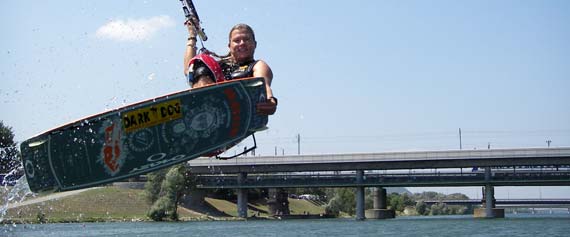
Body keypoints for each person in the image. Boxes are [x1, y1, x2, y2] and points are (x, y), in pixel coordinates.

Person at [183, 22, 277, 115]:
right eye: (237, 40)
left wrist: (270, 100)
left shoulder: (258, 65)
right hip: (213, 108)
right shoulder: (220, 64)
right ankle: (204, 109)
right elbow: (189, 70)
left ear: (255, 44)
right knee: (201, 65)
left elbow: (263, 85)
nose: (242, 43)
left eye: (246, 39)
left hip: (242, 112)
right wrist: (192, 35)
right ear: (229, 46)